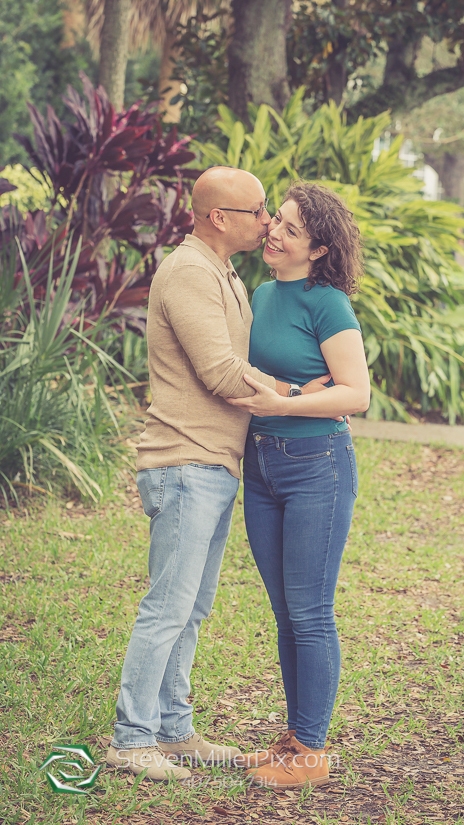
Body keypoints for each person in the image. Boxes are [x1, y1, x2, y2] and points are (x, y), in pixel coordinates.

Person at [106, 168, 328, 782]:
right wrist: (296, 393)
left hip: (213, 463)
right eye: (258, 211)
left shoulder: (225, 272)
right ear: (217, 218)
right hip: (184, 461)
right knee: (168, 607)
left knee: (194, 607)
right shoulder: (189, 273)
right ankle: (131, 740)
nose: (267, 222)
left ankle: (174, 730)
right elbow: (221, 372)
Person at [226, 182, 370, 789]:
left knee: (310, 612)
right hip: (260, 466)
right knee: (286, 612)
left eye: (287, 228)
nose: (272, 232)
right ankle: (294, 739)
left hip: (317, 465)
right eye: (273, 221)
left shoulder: (327, 302)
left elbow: (356, 394)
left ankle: (311, 751)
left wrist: (290, 397)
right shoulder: (259, 292)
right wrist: (292, 394)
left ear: (316, 249)